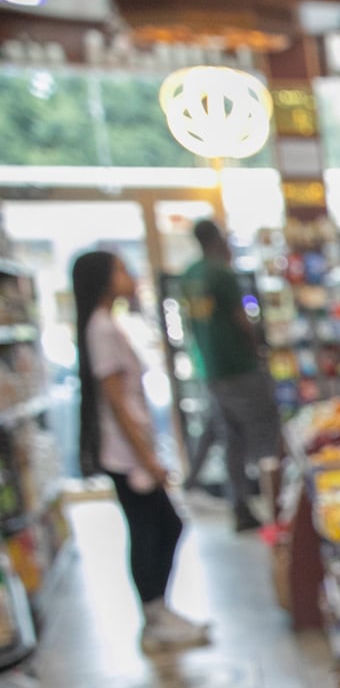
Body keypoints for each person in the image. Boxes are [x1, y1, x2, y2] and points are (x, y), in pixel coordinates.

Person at [71, 249, 211, 654]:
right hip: (125, 455)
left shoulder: (107, 325)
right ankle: (154, 614)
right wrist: (147, 458)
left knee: (159, 527)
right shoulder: (101, 329)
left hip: (131, 452)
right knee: (157, 528)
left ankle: (158, 611)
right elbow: (117, 403)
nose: (129, 275)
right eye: (119, 269)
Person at [180, 219, 280, 533]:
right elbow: (242, 319)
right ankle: (277, 505)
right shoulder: (221, 273)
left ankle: (239, 505)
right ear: (217, 239)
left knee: (230, 440)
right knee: (265, 434)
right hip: (238, 367)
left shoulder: (189, 275)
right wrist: (258, 351)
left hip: (210, 369)